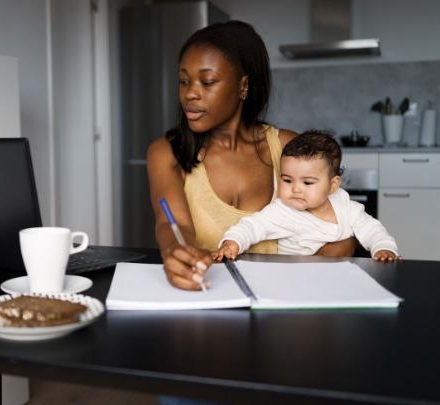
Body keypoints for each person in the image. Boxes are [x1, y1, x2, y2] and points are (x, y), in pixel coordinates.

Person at [147, 21, 355, 292]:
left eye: (207, 82)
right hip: (210, 302)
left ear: (243, 86)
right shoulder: (166, 152)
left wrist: (303, 288)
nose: (190, 93)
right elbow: (173, 224)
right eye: (184, 81)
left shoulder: (288, 148)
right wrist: (177, 251)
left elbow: (340, 234)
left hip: (287, 306)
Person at [217, 131, 400, 262]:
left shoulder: (345, 207)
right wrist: (232, 242)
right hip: (295, 279)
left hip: (340, 277)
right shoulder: (283, 211)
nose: (296, 189)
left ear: (332, 185)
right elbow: (252, 226)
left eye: (307, 183)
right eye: (287, 180)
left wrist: (383, 248)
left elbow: (371, 229)